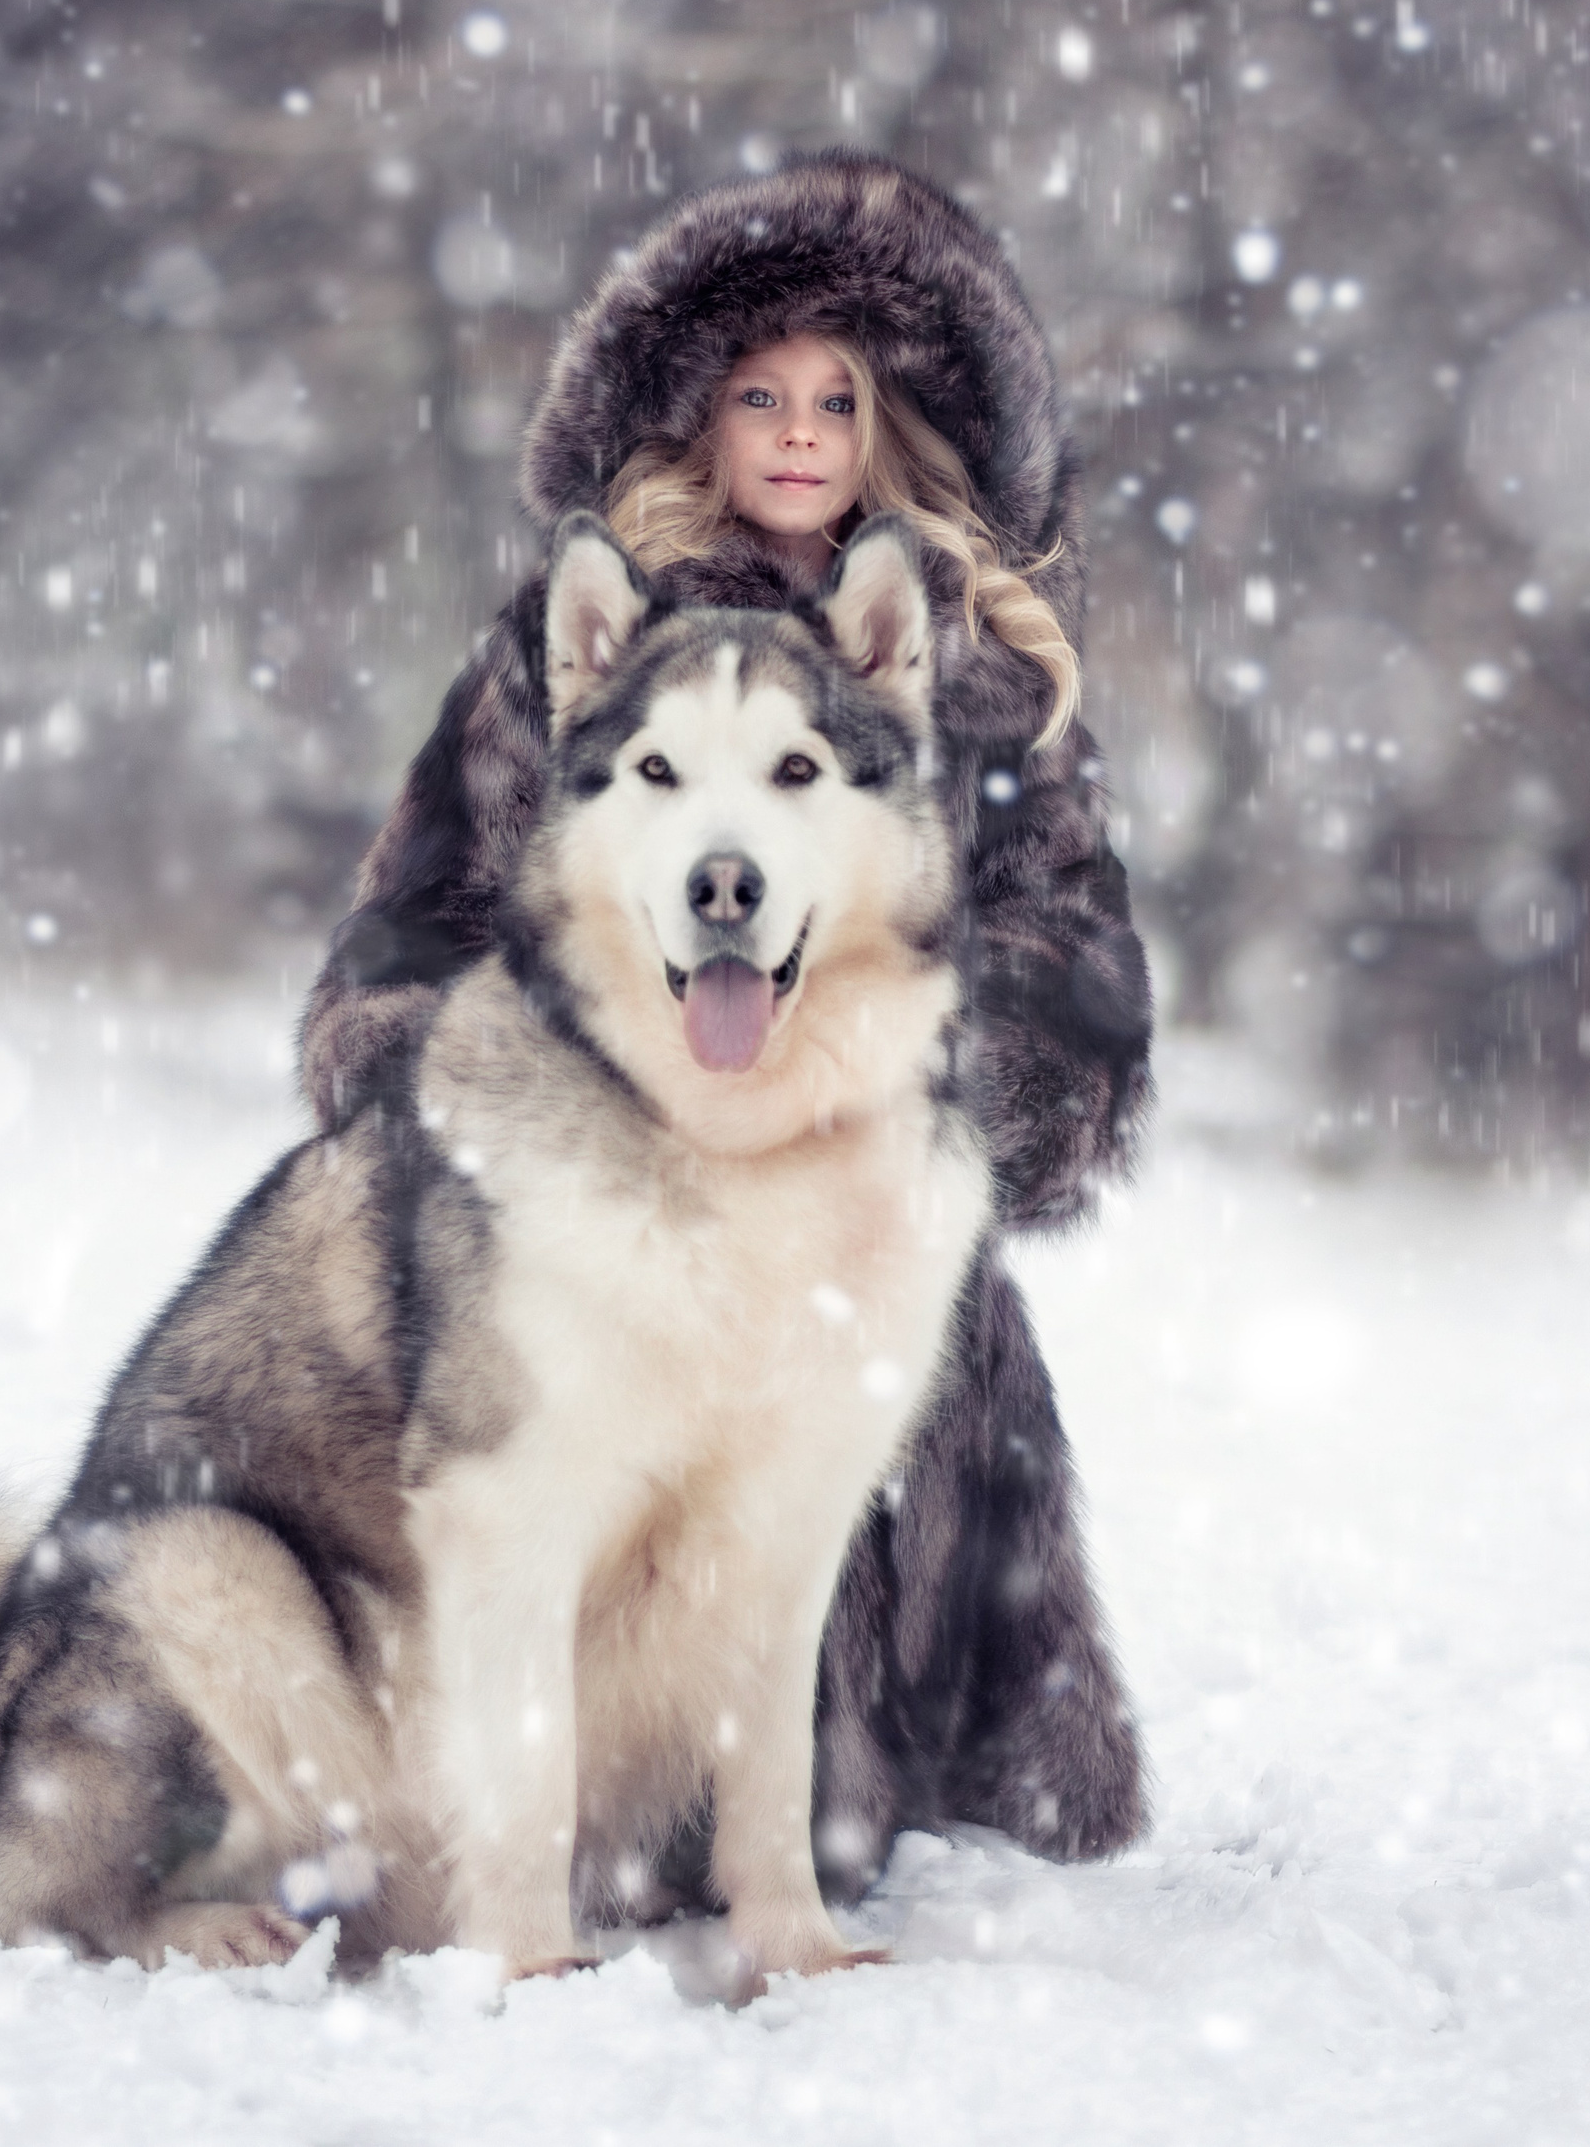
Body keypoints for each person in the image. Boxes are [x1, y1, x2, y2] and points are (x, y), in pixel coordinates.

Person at [300, 152, 1153, 1902]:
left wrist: (922, 1088)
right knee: (623, 1754)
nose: (799, 432)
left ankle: (854, 1787)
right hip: (609, 1256)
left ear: (894, 420)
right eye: (759, 393)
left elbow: (1079, 976)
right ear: (695, 410)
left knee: (901, 1780)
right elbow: (402, 949)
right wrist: (541, 1098)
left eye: (838, 397)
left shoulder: (984, 675)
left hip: (875, 1242)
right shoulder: (576, 647)